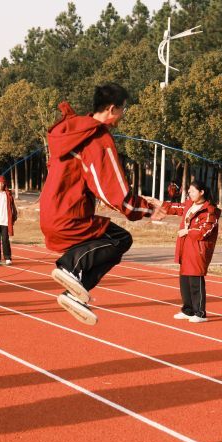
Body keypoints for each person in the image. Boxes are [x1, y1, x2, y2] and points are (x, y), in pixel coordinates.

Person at [40, 83, 159, 325]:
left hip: (51, 212)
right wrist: (146, 208)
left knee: (109, 244)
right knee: (120, 239)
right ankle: (70, 269)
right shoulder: (96, 137)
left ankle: (74, 294)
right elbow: (113, 192)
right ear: (112, 109)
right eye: (123, 110)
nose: (123, 116)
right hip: (69, 217)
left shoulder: (72, 132)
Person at [153, 179, 221, 323]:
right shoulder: (189, 204)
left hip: (198, 248)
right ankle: (188, 310)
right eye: (189, 190)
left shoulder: (210, 210)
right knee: (184, 280)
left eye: (192, 190)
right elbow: (175, 207)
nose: (189, 193)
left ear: (201, 192)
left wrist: (188, 231)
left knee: (195, 280)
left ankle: (200, 313)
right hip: (185, 246)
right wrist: (157, 203)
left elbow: (205, 231)